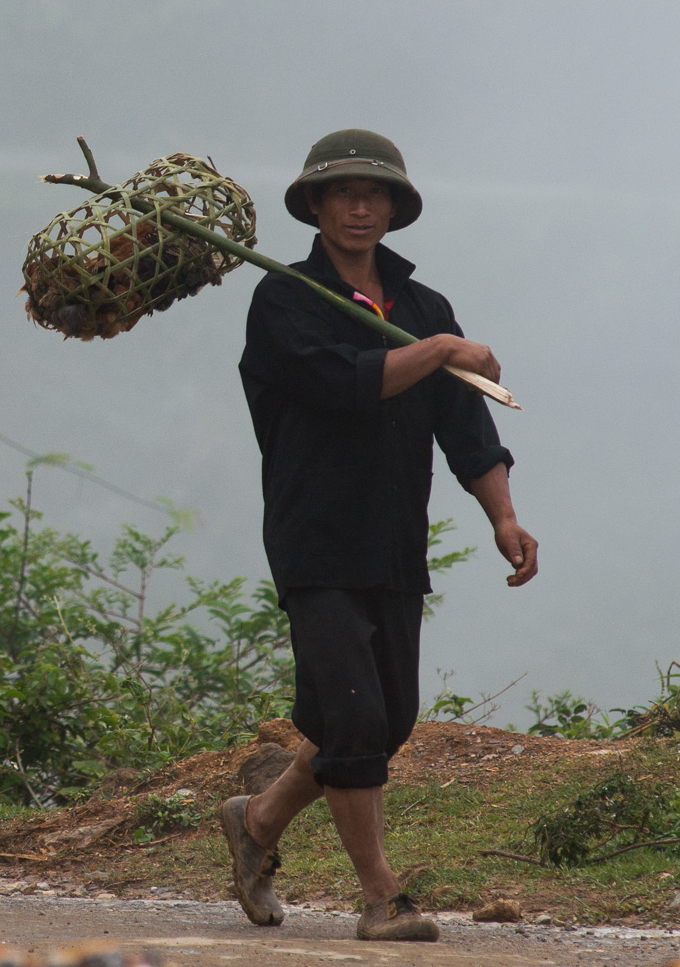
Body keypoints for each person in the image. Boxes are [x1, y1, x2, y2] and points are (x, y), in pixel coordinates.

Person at [222, 129, 538, 942]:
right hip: (315, 539)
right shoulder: (287, 301)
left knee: (381, 721)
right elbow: (344, 385)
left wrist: (502, 514)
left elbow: (466, 427)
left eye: (375, 194)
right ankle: (382, 899)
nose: (360, 207)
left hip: (394, 542)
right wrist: (439, 352)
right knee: (357, 718)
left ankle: (255, 823)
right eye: (343, 194)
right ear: (317, 207)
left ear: (394, 209)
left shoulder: (424, 310)